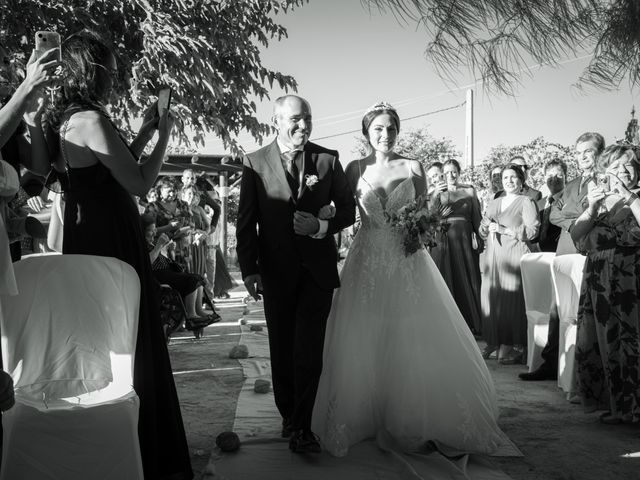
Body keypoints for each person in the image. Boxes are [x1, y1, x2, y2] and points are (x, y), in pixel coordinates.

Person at [311, 102, 520, 458]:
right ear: (367, 132)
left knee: (410, 332)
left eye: (391, 128)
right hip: (367, 258)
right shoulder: (354, 167)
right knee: (364, 332)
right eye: (378, 128)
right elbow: (344, 211)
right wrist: (322, 209)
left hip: (407, 257)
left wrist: (420, 228)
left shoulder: (413, 166)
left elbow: (425, 211)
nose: (385, 135)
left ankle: (411, 413)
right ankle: (365, 414)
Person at [41, 31, 192, 479]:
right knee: (133, 334)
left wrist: (144, 131)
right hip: (113, 238)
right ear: (94, 70)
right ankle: (148, 451)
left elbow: (111, 167)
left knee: (103, 334)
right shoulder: (90, 118)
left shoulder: (65, 117)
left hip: (89, 235)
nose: (117, 76)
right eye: (111, 68)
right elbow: (140, 182)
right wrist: (164, 135)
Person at [236, 94, 356, 454]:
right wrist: (249, 270)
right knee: (283, 349)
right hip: (275, 271)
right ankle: (288, 414)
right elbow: (247, 222)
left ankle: (303, 426)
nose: (303, 125)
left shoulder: (327, 159)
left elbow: (348, 212)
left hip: (316, 271)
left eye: (307, 118)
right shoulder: (254, 163)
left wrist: (320, 225)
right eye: (295, 119)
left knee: (309, 351)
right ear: (277, 121)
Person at [520, 133, 603, 381]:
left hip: (587, 252)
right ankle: (549, 364)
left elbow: (597, 213)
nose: (582, 157)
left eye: (587, 151)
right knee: (557, 311)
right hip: (565, 249)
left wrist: (580, 215)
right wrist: (579, 219)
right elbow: (555, 214)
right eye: (578, 152)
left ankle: (584, 372)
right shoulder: (572, 185)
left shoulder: (604, 180)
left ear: (599, 152)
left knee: (582, 314)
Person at [571, 144, 640, 424]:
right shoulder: (598, 199)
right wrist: (592, 207)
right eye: (615, 167)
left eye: (629, 165)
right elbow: (577, 237)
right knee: (605, 342)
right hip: (598, 281)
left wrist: (630, 198)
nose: (622, 171)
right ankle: (617, 406)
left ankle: (635, 408)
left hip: (632, 280)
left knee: (632, 342)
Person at [480, 164, 540, 364]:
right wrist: (484, 227)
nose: (509, 181)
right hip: (493, 257)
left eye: (513, 177)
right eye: (505, 177)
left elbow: (533, 231)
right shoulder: (495, 202)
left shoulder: (527, 201)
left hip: (514, 254)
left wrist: (507, 231)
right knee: (492, 298)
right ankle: (493, 341)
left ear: (521, 180)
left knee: (512, 300)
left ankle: (516, 346)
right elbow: (482, 228)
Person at [429, 158, 483, 334]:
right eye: (446, 172)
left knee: (467, 276)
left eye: (454, 171)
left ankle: (471, 322)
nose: (450, 175)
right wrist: (436, 195)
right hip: (444, 239)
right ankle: (447, 322)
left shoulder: (469, 191)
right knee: (446, 276)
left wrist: (481, 239)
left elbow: (477, 217)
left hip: (465, 239)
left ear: (459, 172)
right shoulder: (436, 192)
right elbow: (429, 216)